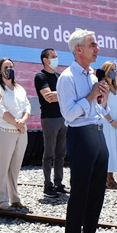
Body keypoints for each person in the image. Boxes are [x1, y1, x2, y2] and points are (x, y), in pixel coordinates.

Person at [57, 29, 116, 233]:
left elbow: (97, 110)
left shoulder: (93, 75)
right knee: (80, 192)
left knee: (97, 192)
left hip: (98, 133)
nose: (97, 48)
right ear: (78, 49)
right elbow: (69, 115)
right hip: (81, 136)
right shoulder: (67, 78)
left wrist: (102, 98)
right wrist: (91, 95)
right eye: (93, 44)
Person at [0, 58, 30, 210]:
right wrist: (17, 123)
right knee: (1, 167)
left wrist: (22, 121)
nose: (9, 69)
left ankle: (15, 199)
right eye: (6, 67)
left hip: (20, 131)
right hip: (2, 131)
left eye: (11, 66)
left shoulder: (20, 89)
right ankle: (2, 201)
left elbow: (27, 106)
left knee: (15, 168)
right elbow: (1, 110)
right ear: (0, 70)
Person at [34, 48, 67, 198]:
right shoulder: (41, 76)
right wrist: (64, 94)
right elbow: (49, 97)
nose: (56, 59)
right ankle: (48, 185)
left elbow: (63, 96)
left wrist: (59, 95)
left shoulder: (59, 77)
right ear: (45, 60)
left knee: (61, 154)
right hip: (49, 119)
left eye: (56, 56)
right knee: (49, 153)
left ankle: (58, 183)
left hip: (63, 118)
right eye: (53, 56)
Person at [99, 61, 117, 189]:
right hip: (108, 122)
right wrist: (111, 121)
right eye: (111, 69)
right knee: (108, 148)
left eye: (115, 69)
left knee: (115, 148)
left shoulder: (116, 86)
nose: (114, 71)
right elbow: (101, 106)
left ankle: (110, 176)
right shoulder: (103, 86)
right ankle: (107, 178)